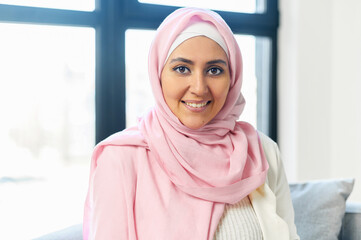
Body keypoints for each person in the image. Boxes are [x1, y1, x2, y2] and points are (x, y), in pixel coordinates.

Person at [83, 7, 300, 240]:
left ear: (233, 78)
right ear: (158, 74)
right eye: (182, 69)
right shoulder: (120, 157)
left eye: (214, 70)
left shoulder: (261, 151)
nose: (198, 87)